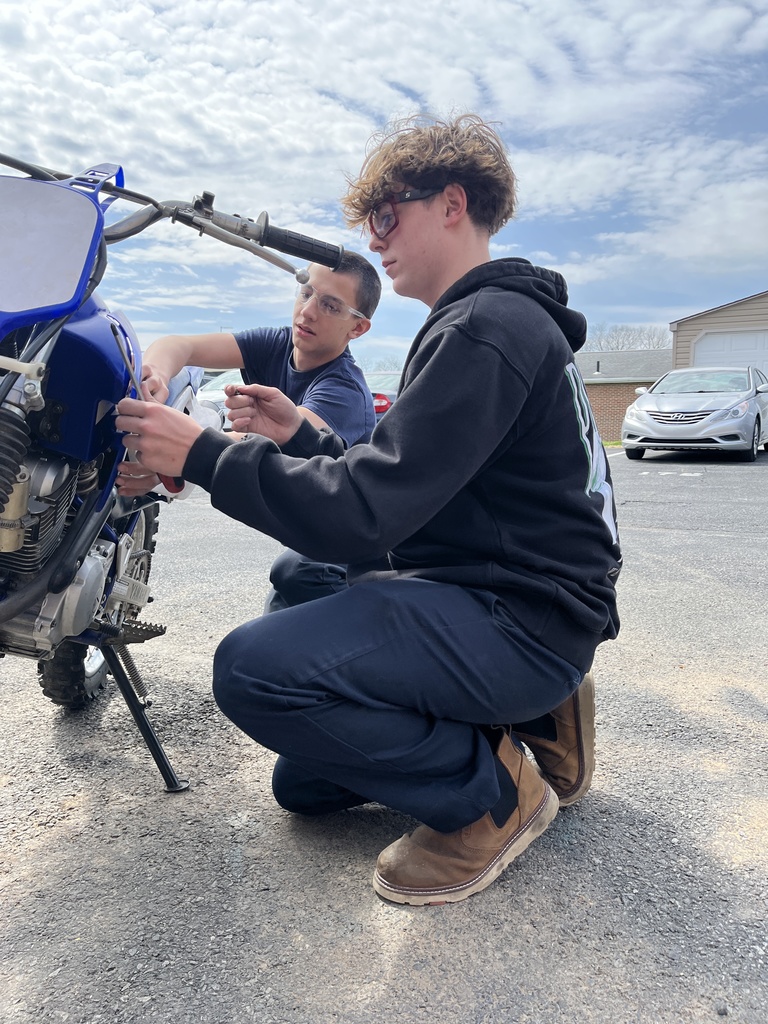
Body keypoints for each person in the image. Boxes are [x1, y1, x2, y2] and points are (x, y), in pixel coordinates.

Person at [116, 113, 621, 906]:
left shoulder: (489, 329)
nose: (374, 238)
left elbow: (362, 515)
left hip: (520, 619)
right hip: (509, 595)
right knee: (306, 786)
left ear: (452, 203)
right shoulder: (482, 323)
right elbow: (416, 484)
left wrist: (202, 454)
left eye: (388, 215)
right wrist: (306, 441)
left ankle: (494, 797)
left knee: (253, 672)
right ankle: (539, 724)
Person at [117, 251, 381, 609]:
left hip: (347, 535)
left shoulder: (343, 390)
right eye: (306, 293)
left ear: (358, 327)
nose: (307, 311)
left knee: (298, 575)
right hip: (299, 516)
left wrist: (177, 457)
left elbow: (273, 441)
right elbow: (180, 345)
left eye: (331, 306)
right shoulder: (276, 344)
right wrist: (158, 374)